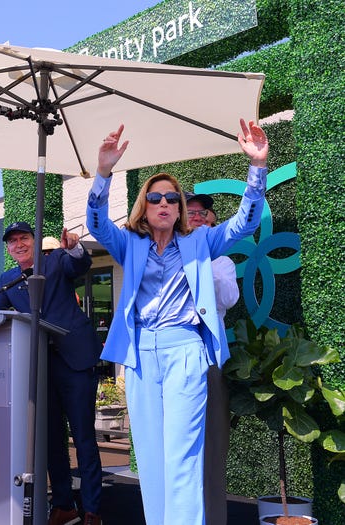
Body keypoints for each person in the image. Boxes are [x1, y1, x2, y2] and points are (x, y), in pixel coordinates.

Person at [86, 119, 268, 525]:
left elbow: (246, 223)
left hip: (186, 349)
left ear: (181, 208)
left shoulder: (201, 241)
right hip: (140, 355)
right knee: (150, 456)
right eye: (155, 197)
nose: (164, 203)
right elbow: (96, 224)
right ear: (144, 208)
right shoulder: (129, 245)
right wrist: (102, 173)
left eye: (171, 197)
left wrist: (257, 168)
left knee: (183, 455)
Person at [0, 222, 104, 525]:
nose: (19, 244)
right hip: (39, 366)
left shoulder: (55, 261)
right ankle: (65, 505)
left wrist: (75, 247)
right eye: (12, 241)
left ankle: (92, 510)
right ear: (9, 248)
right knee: (51, 439)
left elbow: (80, 263)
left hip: (75, 360)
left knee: (83, 438)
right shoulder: (8, 279)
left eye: (24, 238)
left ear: (35, 241)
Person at [185, 192, 239, 525]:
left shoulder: (222, 261)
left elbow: (229, 299)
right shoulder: (171, 255)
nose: (195, 217)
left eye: (202, 213)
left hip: (209, 359)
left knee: (213, 447)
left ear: (212, 219)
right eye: (189, 213)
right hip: (174, 356)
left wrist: (203, 260)